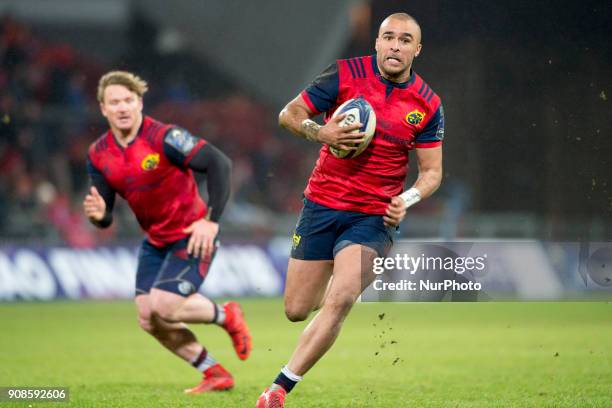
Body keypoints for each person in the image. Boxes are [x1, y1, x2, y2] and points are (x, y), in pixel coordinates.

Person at [256, 12, 444, 407]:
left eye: (405, 40)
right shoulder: (343, 75)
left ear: (417, 50)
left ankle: (278, 389)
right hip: (322, 205)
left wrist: (405, 200)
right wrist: (320, 131)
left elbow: (431, 174)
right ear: (376, 42)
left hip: (375, 217)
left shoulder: (427, 104)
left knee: (340, 300)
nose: (395, 45)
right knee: (296, 309)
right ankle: (339, 284)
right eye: (388, 37)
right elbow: (288, 115)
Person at [83, 70, 252, 394]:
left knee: (164, 305)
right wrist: (100, 216)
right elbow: (104, 212)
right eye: (114, 102)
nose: (122, 108)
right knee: (148, 317)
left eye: (128, 100)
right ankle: (214, 372)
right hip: (156, 241)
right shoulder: (98, 153)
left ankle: (226, 314)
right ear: (103, 108)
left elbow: (219, 164)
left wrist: (211, 220)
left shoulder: (164, 137)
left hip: (193, 233)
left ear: (140, 103)